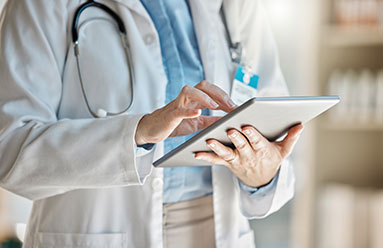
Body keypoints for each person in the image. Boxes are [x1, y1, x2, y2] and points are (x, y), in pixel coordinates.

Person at [0, 0, 303, 247]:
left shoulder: (236, 6)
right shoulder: (38, 5)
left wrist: (263, 174)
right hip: (96, 230)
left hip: (217, 230)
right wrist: (138, 133)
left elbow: (272, 119)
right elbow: (11, 150)